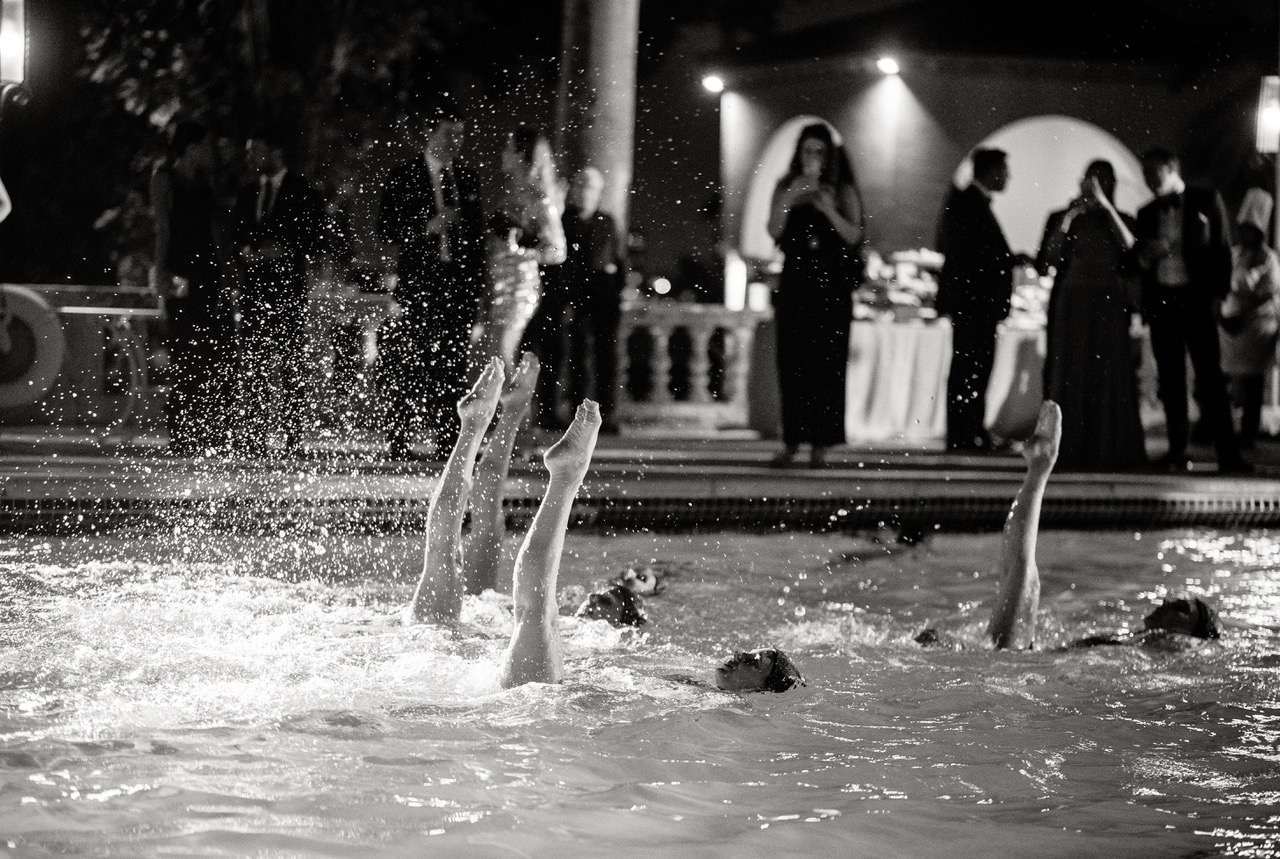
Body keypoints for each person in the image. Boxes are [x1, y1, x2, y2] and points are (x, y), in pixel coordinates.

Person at [914, 399, 1224, 651]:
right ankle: (1038, 470)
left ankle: (1039, 469)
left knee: (1024, 579)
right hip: (1026, 659)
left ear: (1191, 637)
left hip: (1020, 662)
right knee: (1025, 582)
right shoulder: (1139, 642)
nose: (1168, 602)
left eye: (1181, 610)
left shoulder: (1170, 647)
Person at [377, 103, 486, 461]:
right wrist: (426, 228)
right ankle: (400, 439)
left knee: (453, 365)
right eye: (448, 133)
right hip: (418, 283)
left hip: (457, 286)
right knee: (408, 361)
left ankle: (447, 440)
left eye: (460, 135)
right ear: (430, 133)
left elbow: (478, 240)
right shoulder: (403, 176)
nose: (455, 142)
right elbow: (386, 230)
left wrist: (477, 291)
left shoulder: (467, 178)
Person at [1131, 148, 1250, 474]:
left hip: (1196, 301)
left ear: (1170, 169)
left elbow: (1222, 250)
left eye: (1152, 172)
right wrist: (1146, 256)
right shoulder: (1146, 213)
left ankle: (1229, 455)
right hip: (1162, 303)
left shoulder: (1206, 200)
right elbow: (1135, 263)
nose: (1148, 179)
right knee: (1170, 381)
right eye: (1144, 173)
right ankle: (1178, 452)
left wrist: (1218, 296)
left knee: (1210, 379)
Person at [1036, 160, 1147, 471]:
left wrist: (1106, 207)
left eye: (1104, 181)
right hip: (1074, 301)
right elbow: (1049, 258)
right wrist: (1072, 213)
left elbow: (1130, 248)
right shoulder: (1063, 217)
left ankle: (1109, 448)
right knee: (1073, 371)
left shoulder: (1122, 219)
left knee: (1109, 371)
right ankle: (1068, 447)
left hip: (1109, 300)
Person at [766, 122, 866, 468]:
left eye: (819, 151)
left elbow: (854, 235)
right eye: (807, 150)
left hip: (831, 289)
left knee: (826, 368)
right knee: (793, 365)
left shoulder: (844, 190)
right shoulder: (787, 186)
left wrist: (827, 208)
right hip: (796, 284)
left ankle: (821, 444)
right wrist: (793, 195)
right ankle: (792, 440)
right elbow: (773, 229)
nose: (813, 157)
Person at [230, 130, 326, 456]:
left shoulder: (303, 192)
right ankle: (255, 437)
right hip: (254, 290)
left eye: (255, 149)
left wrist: (284, 250)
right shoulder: (246, 193)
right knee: (255, 363)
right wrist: (245, 251)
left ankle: (293, 438)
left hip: (287, 291)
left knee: (290, 364)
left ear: (275, 150)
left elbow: (316, 239)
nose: (250, 158)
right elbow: (235, 236)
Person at [150, 120, 235, 457]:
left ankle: (213, 429)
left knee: (215, 352)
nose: (209, 152)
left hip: (208, 271)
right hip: (181, 270)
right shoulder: (165, 178)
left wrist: (227, 273)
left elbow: (216, 232)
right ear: (189, 147)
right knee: (185, 351)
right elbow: (163, 227)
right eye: (203, 146)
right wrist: (160, 272)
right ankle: (183, 431)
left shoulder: (207, 183)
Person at [935, 148, 1017, 452]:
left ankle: (971, 430)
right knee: (970, 369)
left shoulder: (969, 201)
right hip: (974, 305)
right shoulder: (968, 203)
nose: (1008, 176)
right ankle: (964, 433)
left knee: (974, 369)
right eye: (1005, 170)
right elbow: (970, 256)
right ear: (991, 171)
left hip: (975, 304)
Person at [473, 126, 567, 379]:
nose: (503, 153)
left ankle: (516, 417)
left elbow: (558, 251)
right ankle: (504, 416)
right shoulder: (506, 196)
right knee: (491, 357)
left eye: (509, 148)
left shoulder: (539, 200)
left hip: (519, 287)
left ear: (522, 156)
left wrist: (521, 251)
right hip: (497, 284)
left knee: (502, 356)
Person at [543, 166, 628, 433]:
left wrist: (617, 289)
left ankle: (606, 414)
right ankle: (577, 414)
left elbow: (618, 259)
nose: (585, 192)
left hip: (604, 299)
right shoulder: (564, 221)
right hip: (575, 299)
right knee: (575, 358)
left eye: (591, 187)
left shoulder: (607, 221)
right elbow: (558, 265)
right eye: (581, 186)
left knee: (607, 359)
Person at [1218, 188, 1280, 449]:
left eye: (1250, 230)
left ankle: (1248, 433)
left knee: (1253, 382)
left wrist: (1241, 313)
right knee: (1230, 379)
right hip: (1232, 323)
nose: (1245, 234)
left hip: (1257, 326)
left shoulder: (1269, 260)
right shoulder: (1233, 254)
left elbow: (1267, 293)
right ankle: (1224, 429)